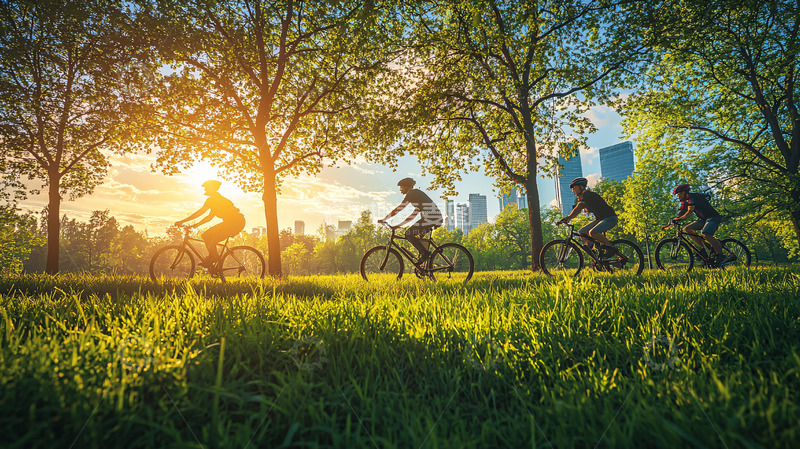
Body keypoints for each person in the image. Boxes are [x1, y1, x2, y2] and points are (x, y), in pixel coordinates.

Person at [174, 180, 246, 268]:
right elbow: (209, 217)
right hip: (233, 222)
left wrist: (182, 221)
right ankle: (212, 258)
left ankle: (214, 257)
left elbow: (200, 212)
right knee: (206, 236)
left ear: (211, 188)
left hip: (234, 222)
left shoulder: (213, 199)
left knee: (210, 238)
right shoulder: (216, 199)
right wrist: (195, 225)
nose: (205, 190)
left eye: (206, 188)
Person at [556, 177, 625, 260]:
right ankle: (594, 253)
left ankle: (610, 248)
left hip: (610, 218)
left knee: (592, 232)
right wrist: (568, 218)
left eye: (574, 188)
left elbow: (578, 209)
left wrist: (567, 218)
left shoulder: (587, 195)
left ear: (581, 187)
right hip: (600, 219)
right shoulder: (583, 197)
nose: (573, 190)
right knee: (581, 232)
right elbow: (576, 211)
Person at [379, 177, 443, 265]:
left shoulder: (412, 194)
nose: (400, 190)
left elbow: (399, 208)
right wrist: (399, 225)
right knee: (416, 236)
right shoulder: (416, 196)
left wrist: (384, 219)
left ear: (406, 187)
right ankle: (424, 261)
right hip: (434, 218)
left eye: (401, 187)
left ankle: (425, 254)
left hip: (431, 218)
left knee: (408, 234)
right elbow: (412, 216)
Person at [670, 183, 725, 267]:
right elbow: (681, 212)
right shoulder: (687, 200)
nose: (678, 196)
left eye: (679, 194)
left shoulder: (692, 198)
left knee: (705, 234)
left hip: (713, 217)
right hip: (703, 219)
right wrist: (673, 220)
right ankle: (706, 248)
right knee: (687, 229)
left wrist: (679, 219)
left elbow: (690, 212)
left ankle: (721, 256)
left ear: (684, 192)